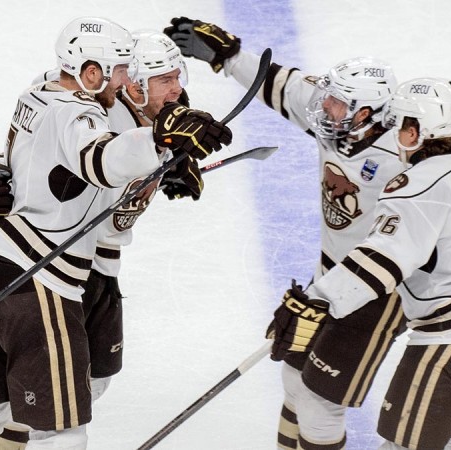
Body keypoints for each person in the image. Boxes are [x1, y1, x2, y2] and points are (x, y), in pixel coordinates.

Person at [0, 17, 231, 450]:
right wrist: (155, 146)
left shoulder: (63, 91)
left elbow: (49, 160)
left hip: (36, 264)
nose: (177, 90)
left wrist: (162, 164)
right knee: (62, 424)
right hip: (41, 270)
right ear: (125, 81)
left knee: (53, 391)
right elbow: (98, 157)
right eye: (161, 79)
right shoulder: (93, 111)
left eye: (176, 77)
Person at [164, 17, 407, 449]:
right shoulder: (342, 118)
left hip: (383, 289)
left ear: (365, 114)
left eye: (333, 103)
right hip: (332, 275)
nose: (321, 107)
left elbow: (447, 201)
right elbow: (281, 84)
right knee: (296, 378)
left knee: (319, 401)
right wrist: (228, 56)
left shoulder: (404, 159)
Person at [268, 77, 451, 450]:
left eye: (399, 125)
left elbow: (384, 258)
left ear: (415, 131)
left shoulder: (418, 185)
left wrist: (318, 301)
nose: (393, 134)